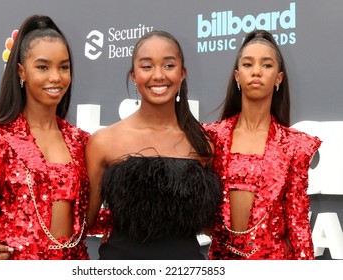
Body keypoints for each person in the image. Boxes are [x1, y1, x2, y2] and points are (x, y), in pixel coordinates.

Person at [0, 14, 91, 260]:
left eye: (63, 67)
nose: (56, 77)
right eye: (43, 67)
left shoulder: (81, 141)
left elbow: (85, 219)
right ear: (22, 71)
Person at [85, 30, 223, 260]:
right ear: (133, 75)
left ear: (182, 73)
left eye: (168, 65)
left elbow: (211, 225)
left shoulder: (203, 144)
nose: (158, 75)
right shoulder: (104, 141)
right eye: (147, 66)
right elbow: (85, 221)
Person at [204, 30, 321, 260]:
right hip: (220, 263)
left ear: (278, 78)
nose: (256, 71)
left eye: (266, 65)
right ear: (237, 76)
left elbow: (297, 224)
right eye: (248, 64)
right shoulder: (211, 137)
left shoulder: (294, 145)